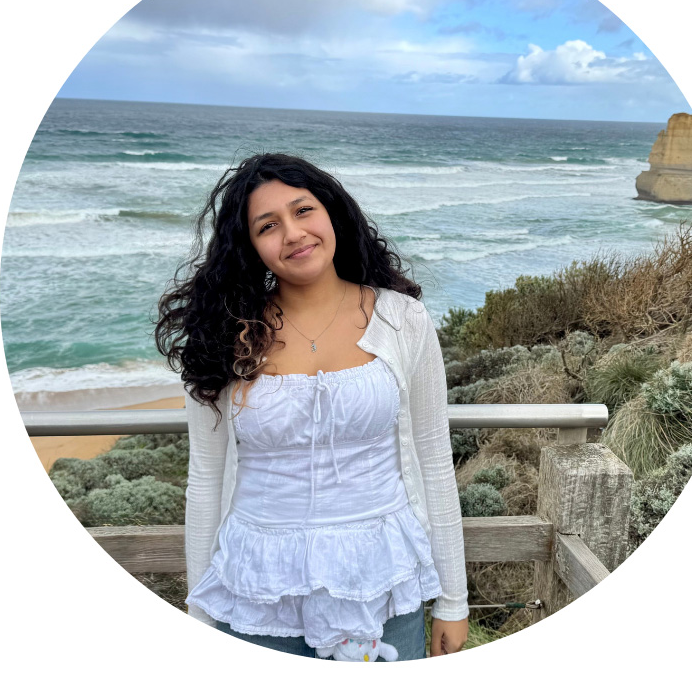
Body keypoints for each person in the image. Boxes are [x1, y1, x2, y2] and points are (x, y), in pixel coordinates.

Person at [155, 152, 469, 660]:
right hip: (258, 588)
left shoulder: (402, 319)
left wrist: (453, 600)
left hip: (380, 583)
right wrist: (199, 617)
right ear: (250, 246)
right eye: (268, 225)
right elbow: (206, 478)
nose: (293, 233)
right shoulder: (222, 336)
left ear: (332, 213)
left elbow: (434, 459)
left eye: (303, 211)